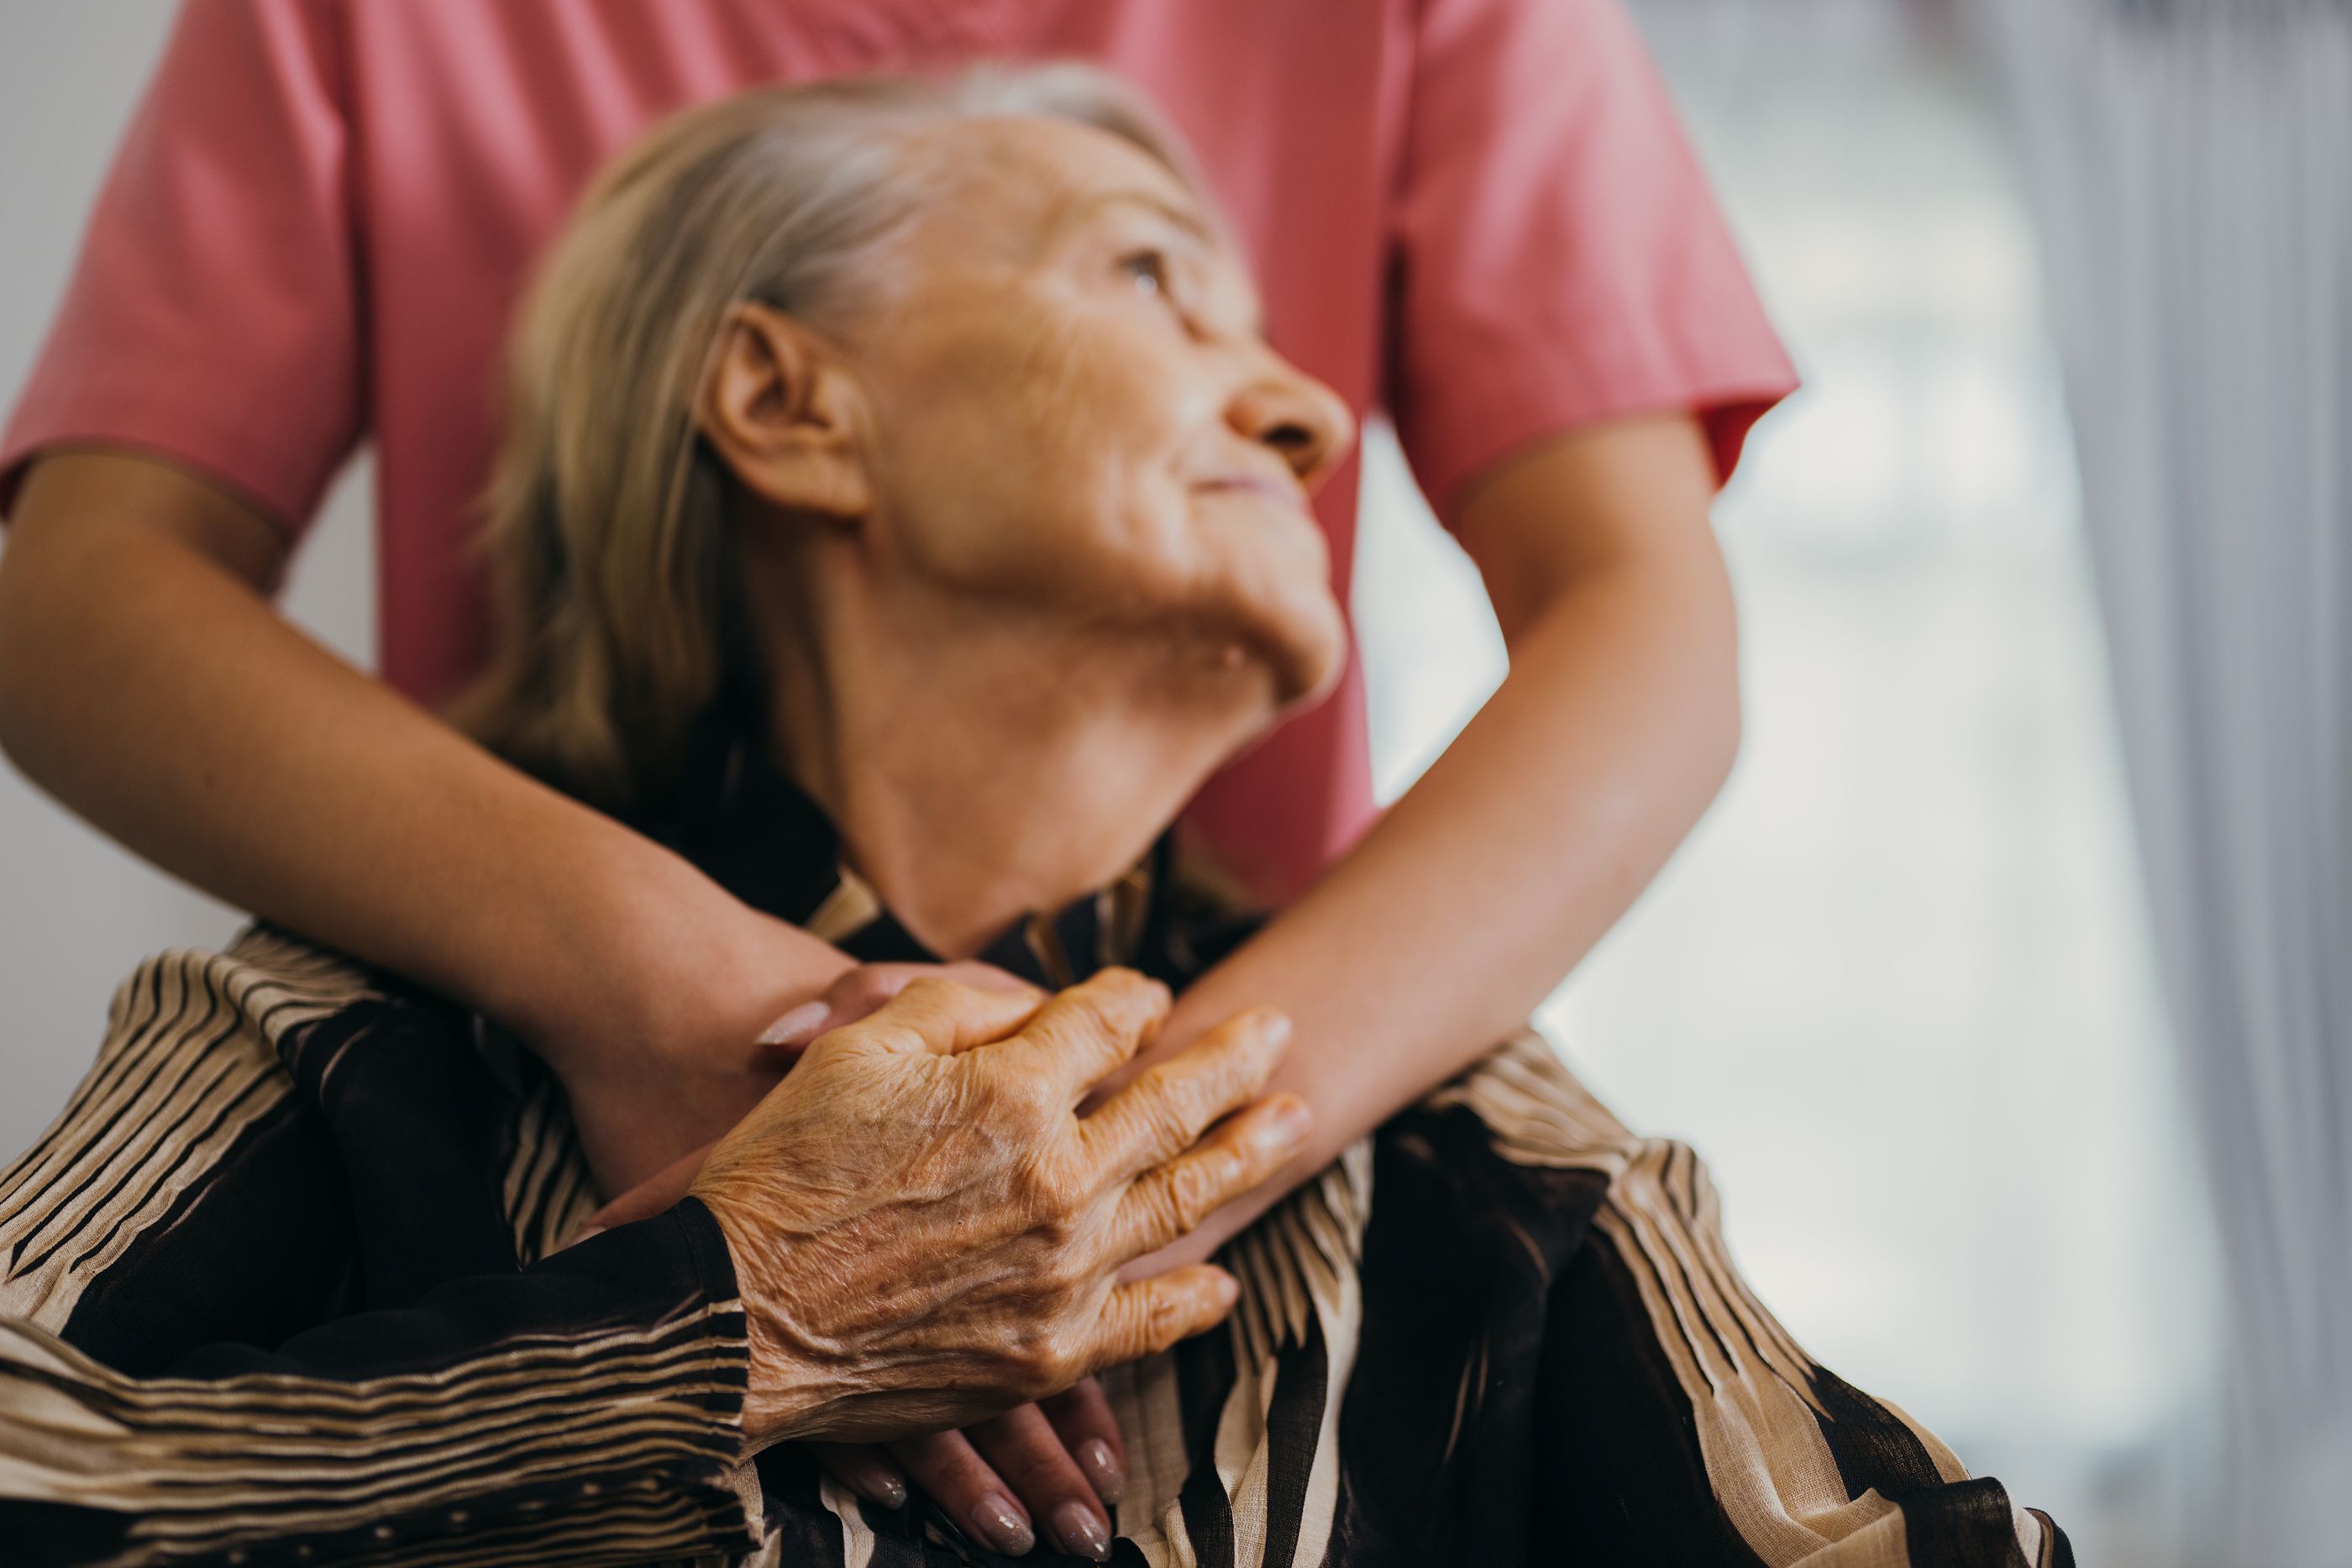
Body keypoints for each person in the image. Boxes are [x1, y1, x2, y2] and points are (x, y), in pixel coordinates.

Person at [1, 68, 2067, 1566]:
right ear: (789, 406)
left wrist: (1104, 1179)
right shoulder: (332, 1056)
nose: (1312, 412)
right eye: (1155, 279)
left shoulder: (1475, 1155)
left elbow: (1653, 633)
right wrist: (722, 1320)